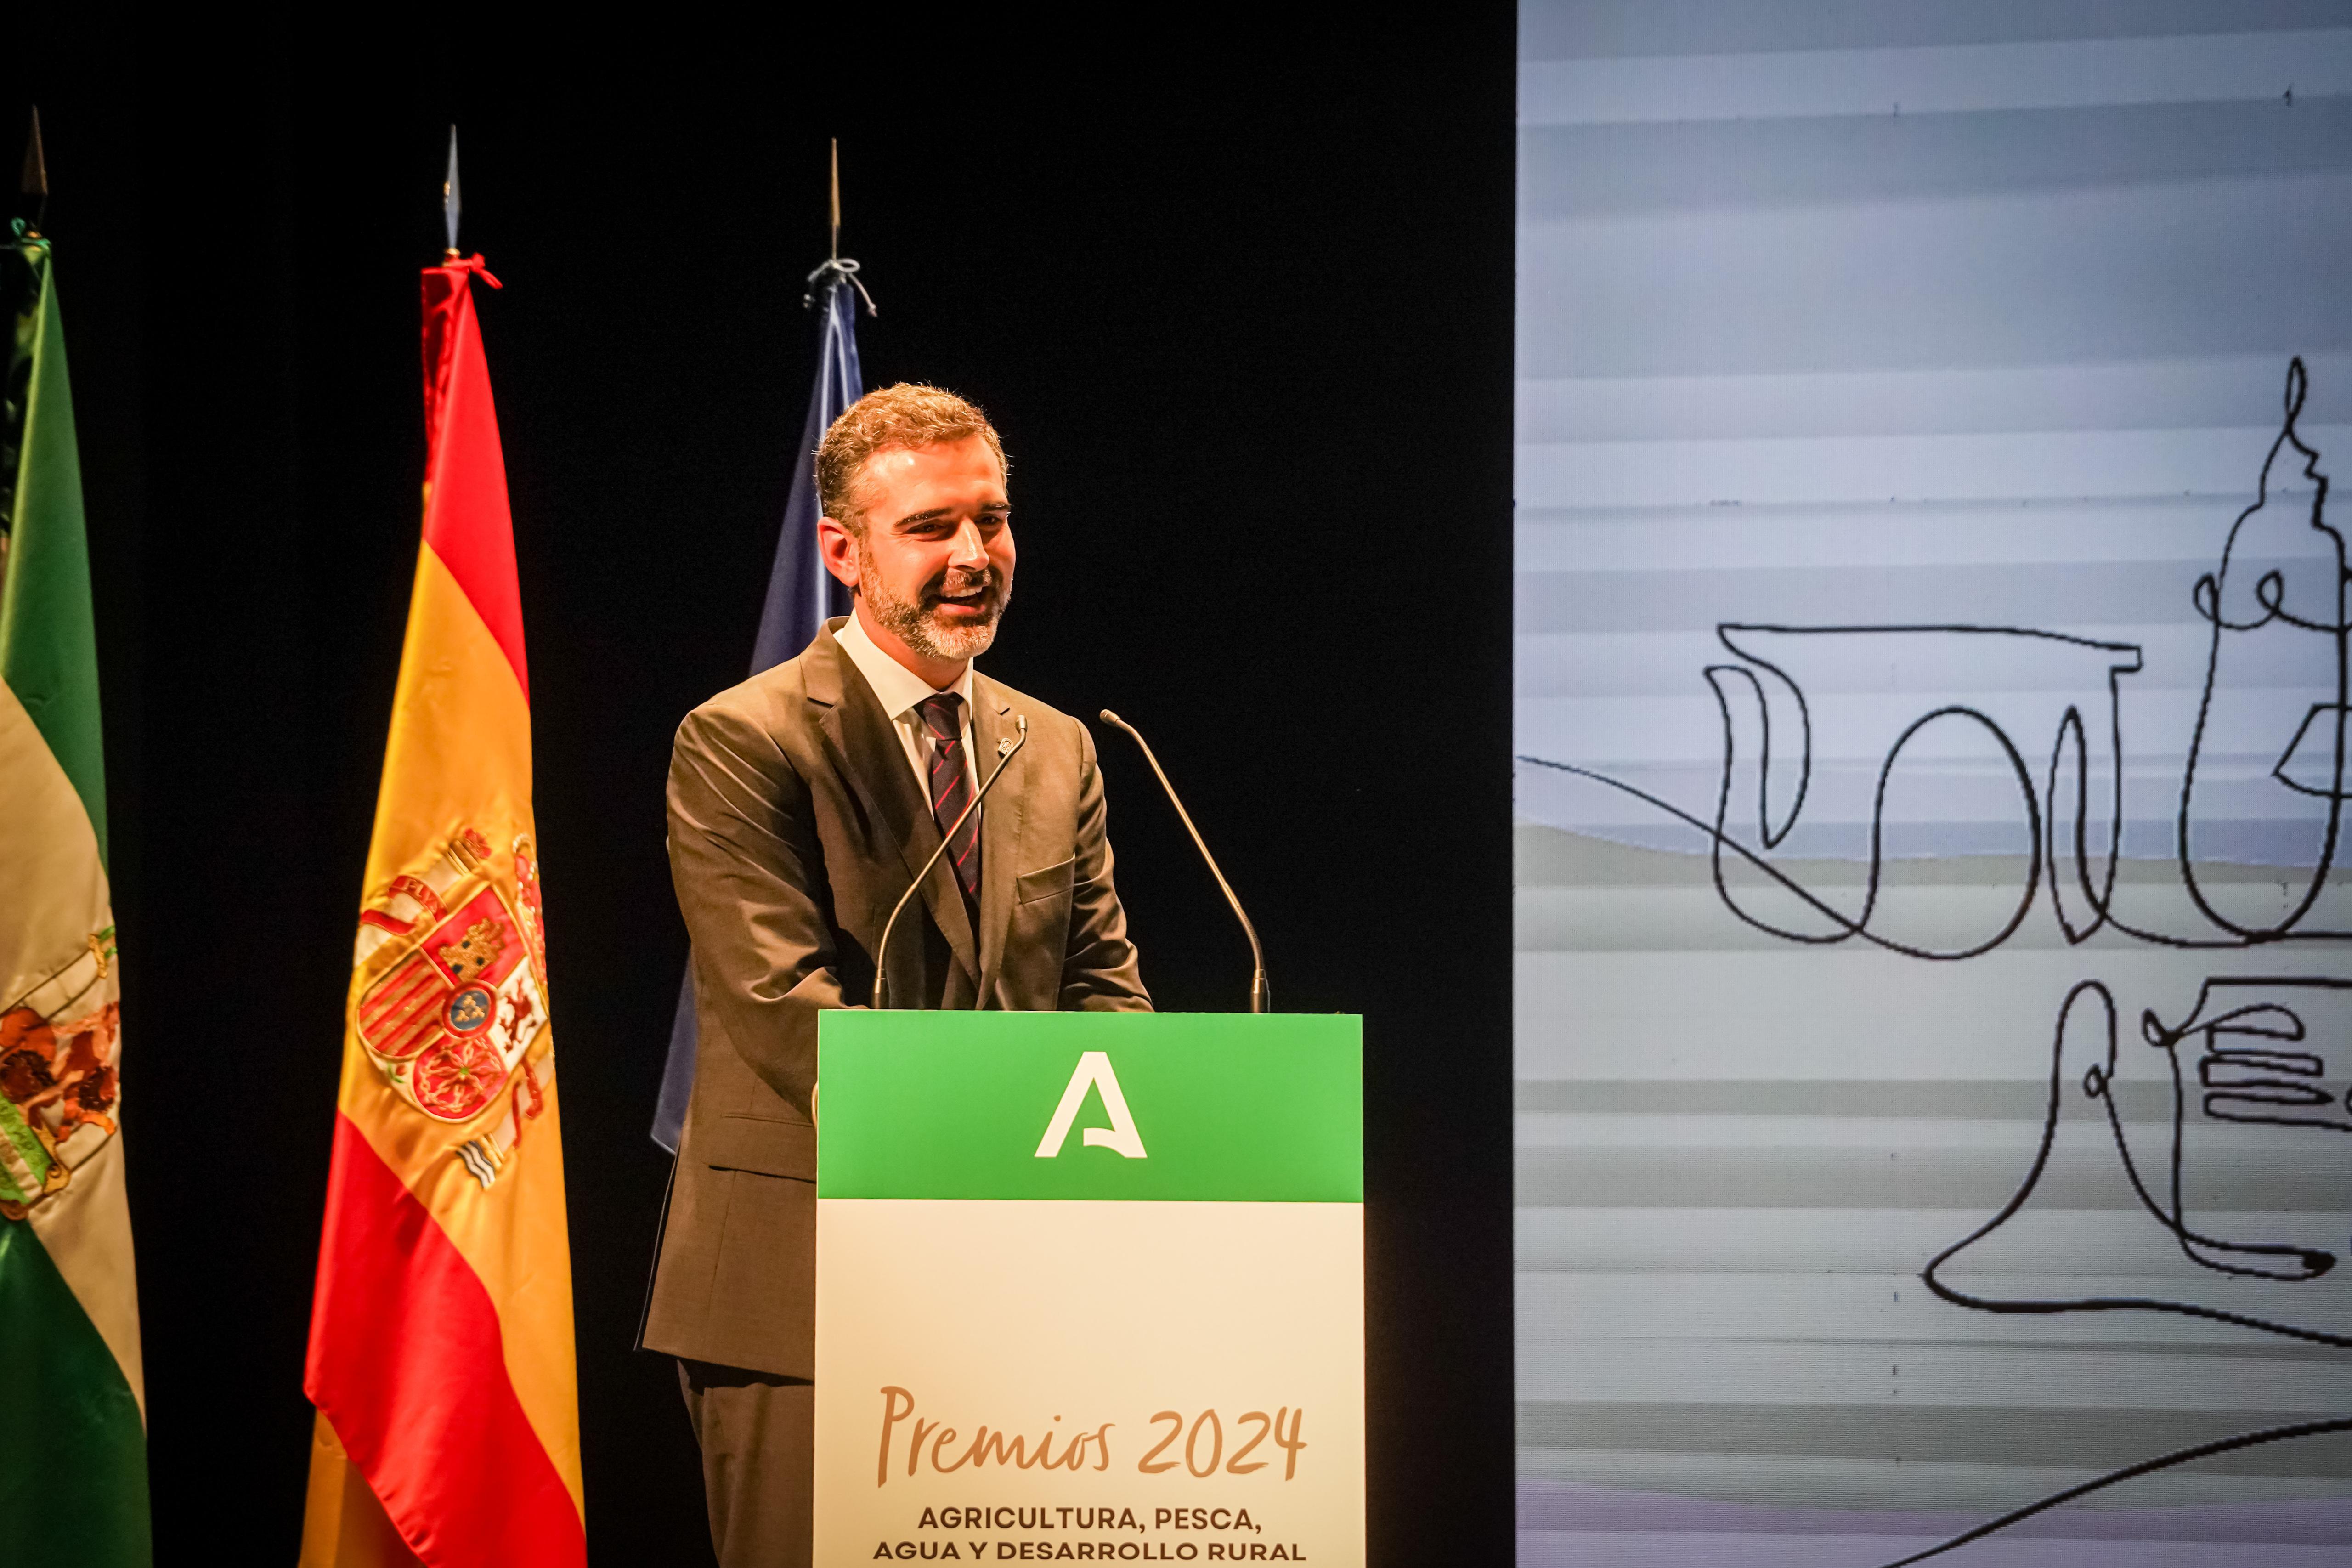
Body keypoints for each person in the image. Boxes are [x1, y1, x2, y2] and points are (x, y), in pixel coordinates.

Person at [640, 383, 1151, 1566]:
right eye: (931, 527)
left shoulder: (1054, 744)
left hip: (1017, 1284)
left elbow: (1103, 993)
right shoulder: (745, 737)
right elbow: (784, 1007)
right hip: (801, 1290)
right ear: (842, 551)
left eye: (992, 520)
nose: (974, 555)